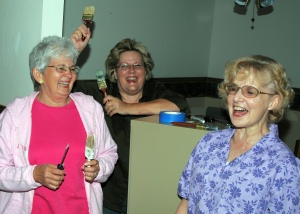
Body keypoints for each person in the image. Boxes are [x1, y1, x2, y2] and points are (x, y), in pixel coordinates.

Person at [71, 26, 191, 213]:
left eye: (137, 65)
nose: (132, 71)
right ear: (114, 71)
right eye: (124, 66)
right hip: (108, 195)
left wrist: (126, 108)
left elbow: (179, 105)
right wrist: (73, 51)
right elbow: (59, 87)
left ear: (146, 70)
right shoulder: (99, 94)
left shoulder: (155, 92)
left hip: (147, 193)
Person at [0, 35, 118, 214]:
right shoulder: (15, 114)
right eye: (60, 68)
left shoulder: (90, 109)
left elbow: (109, 153)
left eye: (72, 68)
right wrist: (34, 174)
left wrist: (99, 168)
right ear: (38, 74)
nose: (69, 74)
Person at [176, 55, 300, 213]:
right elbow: (185, 203)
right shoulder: (208, 143)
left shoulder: (283, 165)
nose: (237, 98)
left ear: (273, 102)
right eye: (233, 89)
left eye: (250, 91)